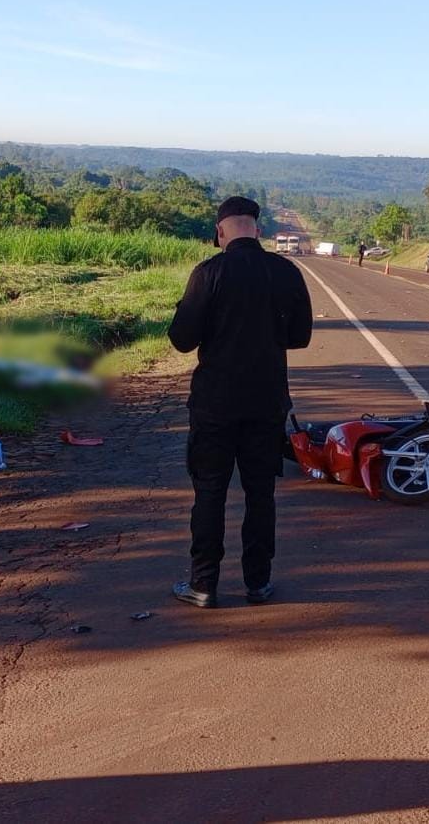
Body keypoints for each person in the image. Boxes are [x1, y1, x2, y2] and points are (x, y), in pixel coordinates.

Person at [167, 196, 314, 608]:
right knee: (260, 493)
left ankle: (202, 584)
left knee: (210, 492)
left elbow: (181, 340)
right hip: (266, 402)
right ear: (258, 230)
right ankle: (258, 583)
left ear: (220, 232)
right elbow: (300, 337)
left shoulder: (208, 272)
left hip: (214, 404)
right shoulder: (285, 271)